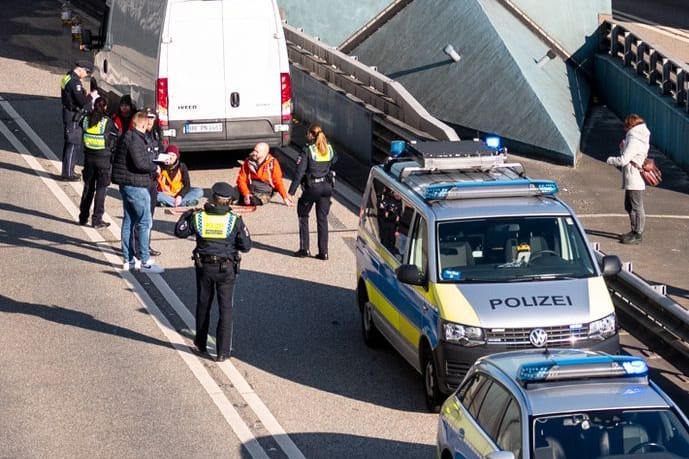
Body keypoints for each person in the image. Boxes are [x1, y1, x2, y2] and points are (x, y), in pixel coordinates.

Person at [174, 182, 252, 362]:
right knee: (225, 309)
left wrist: (186, 215)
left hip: (204, 267)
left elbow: (180, 232)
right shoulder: (234, 219)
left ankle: (200, 343)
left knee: (203, 304)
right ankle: (222, 352)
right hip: (226, 268)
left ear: (212, 199)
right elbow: (246, 246)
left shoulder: (199, 217)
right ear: (228, 201)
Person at [111, 111, 164, 273]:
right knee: (145, 222)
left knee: (129, 220)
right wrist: (155, 167)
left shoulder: (126, 137)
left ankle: (129, 259)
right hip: (136, 185)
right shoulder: (135, 139)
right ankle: (145, 260)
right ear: (140, 124)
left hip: (127, 184)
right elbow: (140, 163)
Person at [288, 123, 337, 260]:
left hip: (313, 188)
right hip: (327, 187)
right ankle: (324, 252)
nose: (306, 135)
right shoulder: (329, 148)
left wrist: (291, 192)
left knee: (303, 214)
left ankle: (304, 249)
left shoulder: (308, 150)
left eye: (307, 133)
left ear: (311, 135)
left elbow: (299, 173)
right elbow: (334, 160)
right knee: (322, 219)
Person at [606, 113, 651, 245]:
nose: (625, 128)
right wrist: (623, 148)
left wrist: (610, 160)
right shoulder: (638, 137)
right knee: (629, 206)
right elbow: (629, 157)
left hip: (634, 179)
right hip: (632, 177)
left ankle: (637, 233)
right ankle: (634, 231)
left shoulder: (634, 139)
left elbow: (624, 160)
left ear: (631, 125)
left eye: (626, 125)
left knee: (636, 207)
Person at [78, 97, 119, 229]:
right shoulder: (106, 121)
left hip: (88, 158)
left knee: (88, 188)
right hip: (103, 160)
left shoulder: (85, 119)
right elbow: (116, 134)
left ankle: (83, 216)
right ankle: (97, 219)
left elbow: (80, 125)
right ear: (105, 107)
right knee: (101, 189)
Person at [60, 60, 96, 181]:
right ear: (81, 69)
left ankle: (68, 170)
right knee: (73, 144)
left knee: (70, 143)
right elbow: (82, 101)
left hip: (68, 113)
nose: (86, 75)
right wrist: (91, 96)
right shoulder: (75, 83)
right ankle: (68, 173)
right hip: (73, 115)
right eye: (87, 72)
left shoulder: (68, 76)